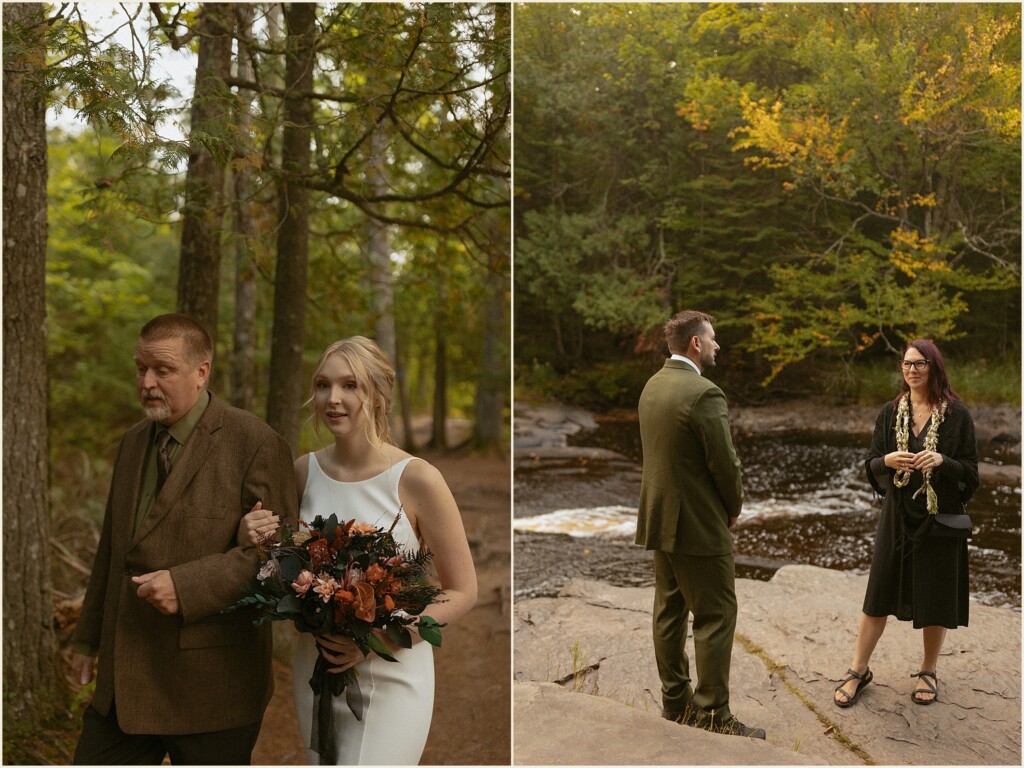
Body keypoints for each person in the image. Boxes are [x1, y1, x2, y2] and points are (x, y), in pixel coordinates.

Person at [70, 313, 298, 764]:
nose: (147, 382)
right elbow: (112, 552)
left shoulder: (255, 443)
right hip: (124, 685)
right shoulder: (133, 443)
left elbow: (283, 561)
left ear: (202, 372)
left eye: (163, 369)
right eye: (140, 368)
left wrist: (187, 585)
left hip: (213, 688)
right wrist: (87, 638)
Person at [238, 336, 477, 765]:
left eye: (351, 386)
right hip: (316, 669)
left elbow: (463, 591)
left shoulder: (417, 479)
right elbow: (277, 565)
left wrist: (380, 638)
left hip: (392, 673)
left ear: (379, 395)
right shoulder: (302, 472)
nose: (333, 399)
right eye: (323, 385)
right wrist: (249, 537)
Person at [635, 310, 765, 739]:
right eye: (712, 339)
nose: (717, 346)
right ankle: (713, 716)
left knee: (669, 610)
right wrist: (734, 506)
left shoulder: (653, 386)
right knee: (716, 614)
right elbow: (724, 464)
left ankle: (675, 703)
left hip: (660, 517)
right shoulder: (703, 393)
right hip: (698, 523)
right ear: (695, 344)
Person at [833, 339, 979, 708]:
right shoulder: (889, 412)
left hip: (938, 516)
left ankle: (928, 670)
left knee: (935, 594)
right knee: (878, 593)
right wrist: (887, 461)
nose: (911, 370)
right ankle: (858, 670)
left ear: (934, 367)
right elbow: (869, 464)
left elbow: (972, 473)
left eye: (919, 364)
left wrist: (942, 461)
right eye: (906, 364)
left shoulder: (957, 416)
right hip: (896, 516)